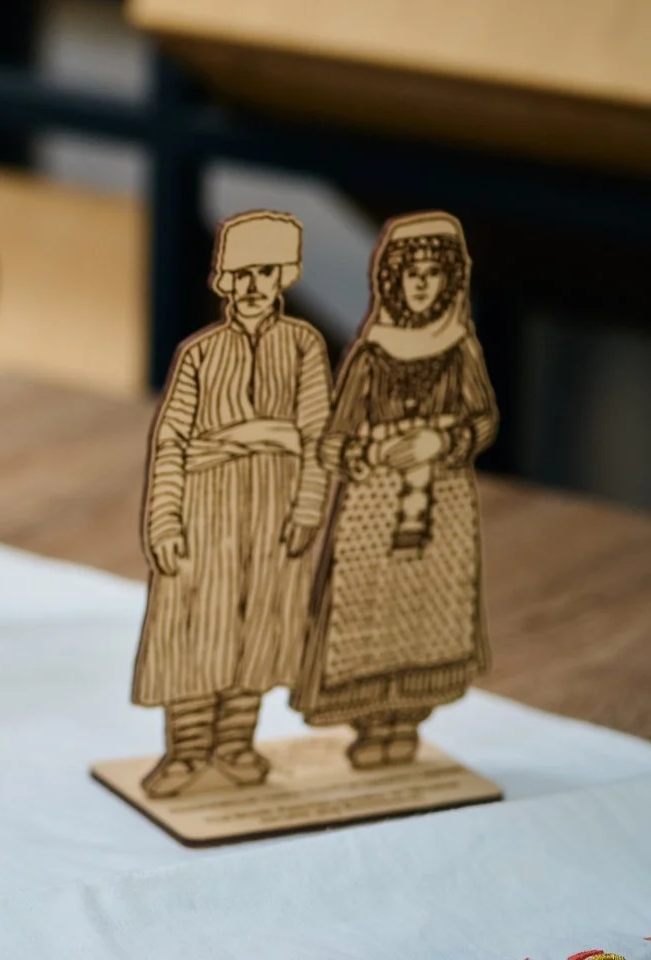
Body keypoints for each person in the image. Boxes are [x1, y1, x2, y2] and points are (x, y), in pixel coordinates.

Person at [131, 211, 332, 798]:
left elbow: (316, 434)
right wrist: (165, 519)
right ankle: (188, 751)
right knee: (196, 630)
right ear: (222, 280)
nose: (250, 287)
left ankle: (236, 741)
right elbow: (172, 440)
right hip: (204, 512)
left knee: (260, 629)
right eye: (239, 274)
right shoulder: (201, 354)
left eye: (263, 273)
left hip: (274, 515)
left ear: (283, 278)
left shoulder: (303, 347)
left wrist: (306, 508)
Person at [292, 212, 497, 770]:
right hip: (373, 510)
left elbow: (482, 421)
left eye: (434, 272)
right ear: (393, 279)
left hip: (441, 502)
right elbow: (333, 440)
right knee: (365, 611)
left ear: (450, 279)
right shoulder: (373, 350)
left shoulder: (459, 347)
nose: (423, 283)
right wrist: (372, 451)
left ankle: (406, 721)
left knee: (428, 613)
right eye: (413, 273)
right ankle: (370, 721)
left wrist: (441, 439)